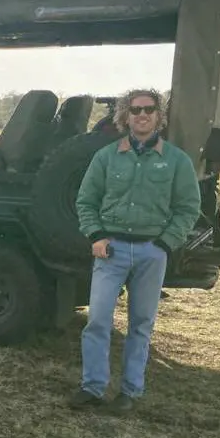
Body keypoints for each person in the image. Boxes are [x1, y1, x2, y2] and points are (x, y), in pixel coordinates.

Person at [70, 89, 201, 413]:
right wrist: (96, 236)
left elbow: (188, 208)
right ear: (125, 117)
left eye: (149, 109)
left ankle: (130, 392)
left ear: (159, 116)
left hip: (150, 252)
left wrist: (164, 244)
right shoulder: (107, 157)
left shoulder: (176, 160)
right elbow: (86, 200)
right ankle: (92, 387)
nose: (142, 115)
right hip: (110, 250)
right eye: (135, 109)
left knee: (140, 324)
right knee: (98, 320)